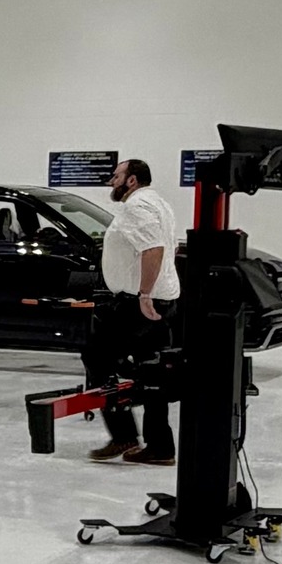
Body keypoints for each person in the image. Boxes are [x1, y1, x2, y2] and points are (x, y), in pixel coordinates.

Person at [86, 158, 180, 465]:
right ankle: (160, 446)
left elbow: (153, 249)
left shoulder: (135, 207)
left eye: (116, 176)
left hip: (137, 303)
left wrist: (144, 294)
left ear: (132, 180)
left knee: (99, 360)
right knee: (152, 371)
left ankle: (124, 435)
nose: (111, 182)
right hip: (160, 300)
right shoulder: (159, 204)